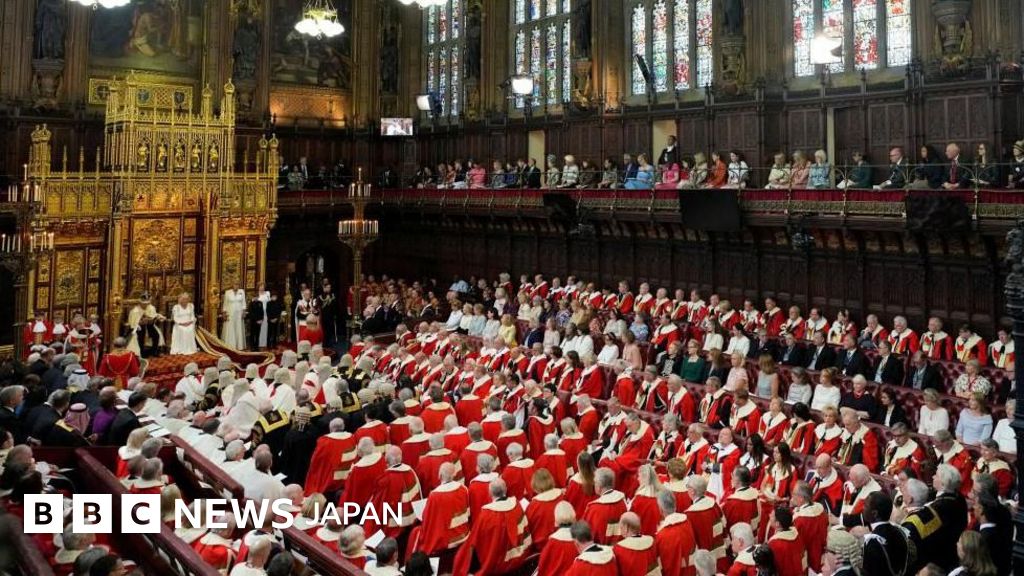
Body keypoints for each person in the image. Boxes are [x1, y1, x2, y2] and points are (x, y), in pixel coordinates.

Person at [903, 463, 968, 572]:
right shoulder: (958, 497)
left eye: (936, 475)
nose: (933, 477)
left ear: (943, 483)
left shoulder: (941, 507)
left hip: (938, 559)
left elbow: (917, 524)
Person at [861, 492, 911, 576]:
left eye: (865, 506)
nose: (863, 508)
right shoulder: (900, 531)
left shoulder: (873, 541)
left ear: (875, 513)